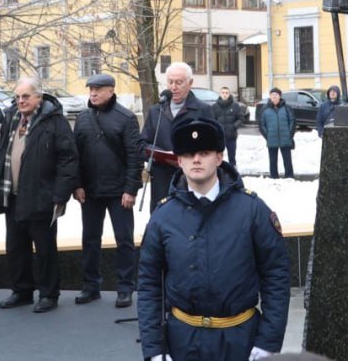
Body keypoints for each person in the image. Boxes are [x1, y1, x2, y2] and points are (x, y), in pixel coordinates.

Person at [137, 117, 291, 361]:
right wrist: (154, 349)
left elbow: (276, 276)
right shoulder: (163, 216)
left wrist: (268, 342)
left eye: (204, 152)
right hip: (183, 341)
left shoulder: (252, 210)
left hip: (240, 339)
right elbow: (149, 285)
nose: (196, 160)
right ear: (179, 161)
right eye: (188, 154)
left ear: (219, 158)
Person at [0, 78, 79, 313]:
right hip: (13, 195)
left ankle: (48, 294)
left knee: (45, 249)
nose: (21, 101)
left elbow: (68, 159)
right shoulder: (12, 118)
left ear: (39, 96)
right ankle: (22, 291)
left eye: (26, 96)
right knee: (16, 247)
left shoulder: (55, 122)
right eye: (17, 97)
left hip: (42, 196)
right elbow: (3, 153)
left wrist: (59, 195)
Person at [72, 72, 142, 308]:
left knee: (124, 240)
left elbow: (135, 157)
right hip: (90, 191)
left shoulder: (126, 117)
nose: (92, 93)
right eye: (90, 89)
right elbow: (75, 156)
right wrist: (77, 185)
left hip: (119, 192)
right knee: (90, 239)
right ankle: (90, 286)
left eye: (98, 89)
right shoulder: (82, 118)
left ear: (111, 91)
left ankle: (125, 288)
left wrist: (131, 189)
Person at [141, 62, 216, 210]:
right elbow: (142, 143)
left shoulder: (203, 110)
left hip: (191, 179)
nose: (173, 87)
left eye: (179, 82)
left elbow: (214, 145)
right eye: (170, 82)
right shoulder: (156, 111)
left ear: (190, 83)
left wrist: (187, 155)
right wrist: (157, 153)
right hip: (161, 180)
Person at [259, 89, 296, 179]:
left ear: (280, 96)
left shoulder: (287, 108)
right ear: (270, 96)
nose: (274, 96)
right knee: (272, 161)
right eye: (272, 95)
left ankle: (289, 177)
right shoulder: (265, 109)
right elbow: (261, 124)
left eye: (276, 95)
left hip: (285, 138)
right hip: (272, 139)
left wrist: (290, 134)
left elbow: (293, 121)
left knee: (287, 160)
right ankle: (274, 177)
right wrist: (267, 136)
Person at [214, 86, 248, 166]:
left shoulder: (235, 106)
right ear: (220, 94)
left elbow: (241, 118)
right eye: (223, 93)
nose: (225, 94)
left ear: (229, 94)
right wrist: (217, 129)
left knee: (232, 158)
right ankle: (218, 174)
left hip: (231, 137)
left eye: (226, 93)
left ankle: (233, 174)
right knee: (217, 158)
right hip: (219, 137)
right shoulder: (214, 107)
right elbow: (212, 121)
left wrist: (234, 126)